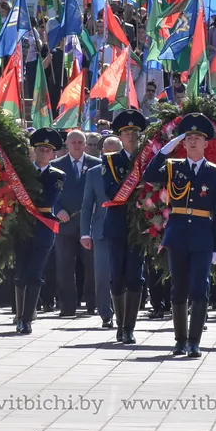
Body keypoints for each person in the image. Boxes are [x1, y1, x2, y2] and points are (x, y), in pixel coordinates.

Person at [142, 113, 216, 358]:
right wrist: (167, 148)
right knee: (178, 289)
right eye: (188, 138)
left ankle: (194, 341)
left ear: (206, 143)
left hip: (203, 237)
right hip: (177, 234)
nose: (192, 142)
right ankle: (179, 340)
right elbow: (149, 175)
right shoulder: (173, 167)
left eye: (197, 138)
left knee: (200, 289)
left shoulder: (215, 173)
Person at [82, 111, 147, 343]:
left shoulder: (147, 159)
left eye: (135, 132)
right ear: (120, 136)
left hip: (140, 227)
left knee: (135, 277)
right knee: (116, 277)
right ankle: (120, 324)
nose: (132, 136)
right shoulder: (111, 161)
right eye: (127, 133)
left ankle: (129, 327)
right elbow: (110, 192)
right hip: (117, 225)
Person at [14, 128, 65, 335]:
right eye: (40, 149)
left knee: (35, 274)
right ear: (33, 151)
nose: (44, 153)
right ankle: (20, 315)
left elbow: (48, 200)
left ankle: (26, 319)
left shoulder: (57, 176)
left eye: (47, 150)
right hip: (22, 226)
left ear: (53, 154)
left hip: (43, 228)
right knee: (20, 274)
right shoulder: (22, 173)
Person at [50, 130, 99, 318]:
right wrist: (57, 208)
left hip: (89, 225)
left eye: (80, 142)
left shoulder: (96, 164)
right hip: (65, 223)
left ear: (85, 144)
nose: (77, 145)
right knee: (64, 266)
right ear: (67, 145)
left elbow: (99, 191)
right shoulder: (56, 165)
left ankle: (92, 304)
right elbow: (50, 193)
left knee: (92, 266)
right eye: (73, 142)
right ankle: (67, 306)